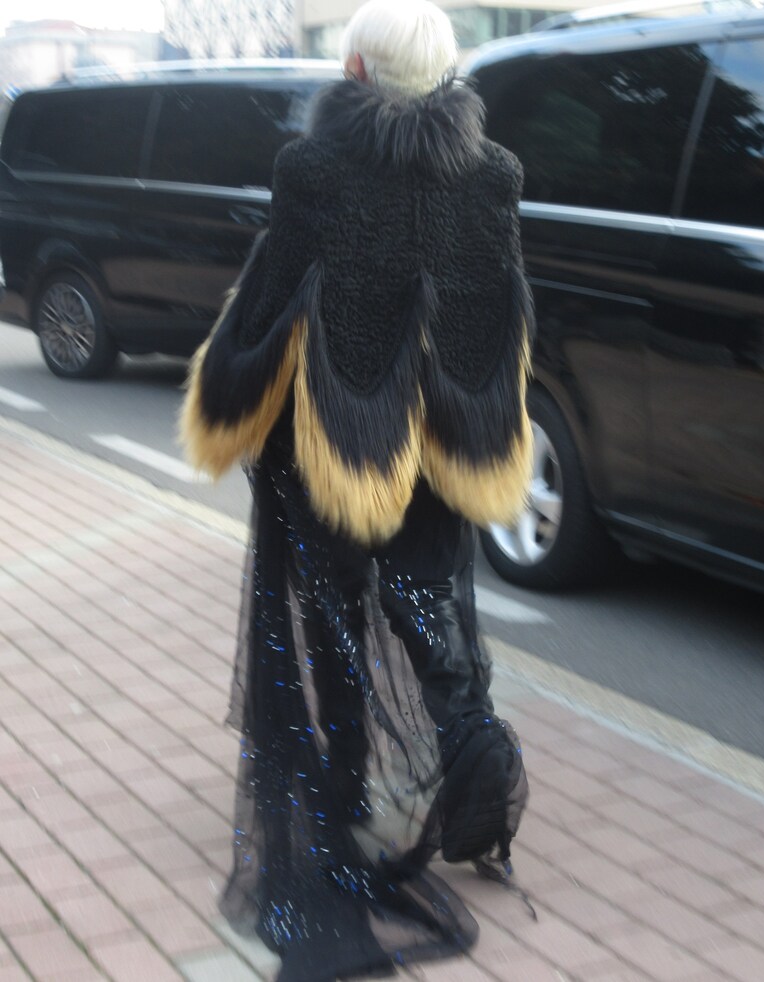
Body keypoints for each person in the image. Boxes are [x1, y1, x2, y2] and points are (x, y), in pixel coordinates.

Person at [180, 2, 535, 978]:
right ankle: (476, 766)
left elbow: (273, 290)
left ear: (358, 69)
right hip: (446, 434)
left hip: (337, 439)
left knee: (326, 617)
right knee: (431, 611)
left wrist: (229, 386)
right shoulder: (494, 174)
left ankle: (334, 807)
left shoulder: (315, 168)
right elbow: (498, 304)